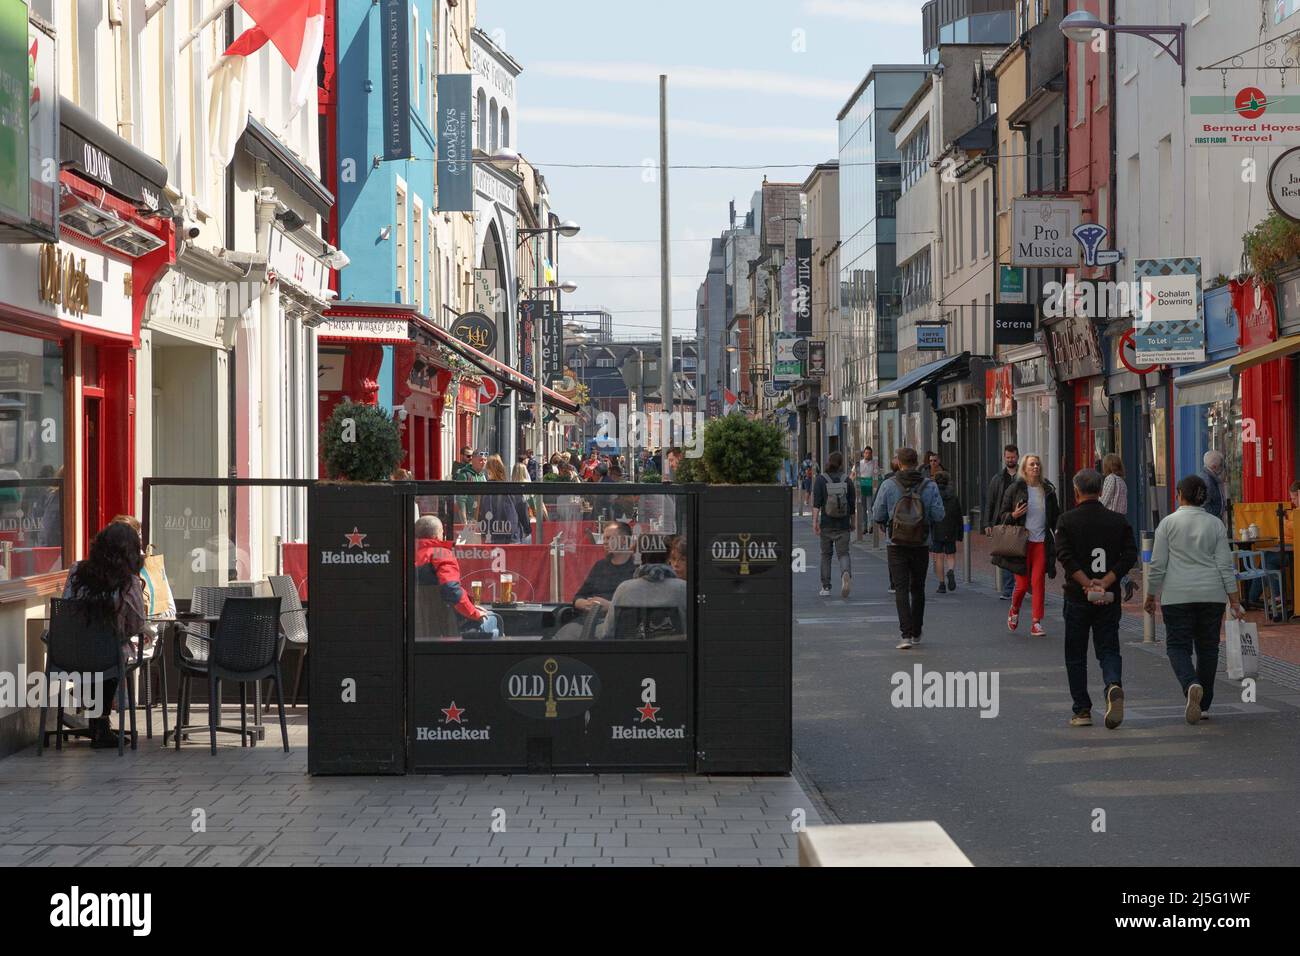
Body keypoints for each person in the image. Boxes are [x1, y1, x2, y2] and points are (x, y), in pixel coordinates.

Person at [1145, 474, 1245, 724]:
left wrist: (1150, 595)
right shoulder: (1215, 525)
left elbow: (1157, 565)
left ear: (1179, 494)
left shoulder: (1167, 524)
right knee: (1208, 648)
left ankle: (1191, 684)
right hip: (1211, 595)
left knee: (1177, 647)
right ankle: (1204, 703)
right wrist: (1234, 600)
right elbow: (1225, 564)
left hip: (1177, 595)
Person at [1054, 468, 1139, 729]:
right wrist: (1107, 580)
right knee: (1109, 648)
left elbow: (1064, 555)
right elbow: (1129, 554)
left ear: (1076, 491)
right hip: (1108, 595)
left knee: (1076, 654)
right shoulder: (1118, 521)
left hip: (1078, 596)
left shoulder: (1066, 521)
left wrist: (1086, 581)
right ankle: (1113, 684)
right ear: (1102, 491)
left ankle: (1081, 710)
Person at [62, 521, 155, 747]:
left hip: (70, 652)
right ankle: (101, 722)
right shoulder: (129, 582)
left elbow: (66, 607)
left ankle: (96, 721)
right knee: (116, 650)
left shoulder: (76, 571)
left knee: (100, 649)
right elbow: (136, 623)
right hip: (107, 657)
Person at [872, 447, 945, 650]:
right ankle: (917, 631)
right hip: (921, 542)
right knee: (918, 588)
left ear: (899, 463)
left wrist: (885, 522)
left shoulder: (888, 485)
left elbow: (877, 513)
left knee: (901, 589)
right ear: (916, 462)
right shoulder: (929, 485)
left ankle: (905, 634)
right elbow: (939, 514)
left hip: (896, 543)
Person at [995, 454, 1060, 637]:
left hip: (1041, 543)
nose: (1035, 467)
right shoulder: (1015, 488)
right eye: (1032, 464)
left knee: (1038, 582)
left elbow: (1056, 517)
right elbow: (1002, 515)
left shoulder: (1047, 490)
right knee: (1022, 586)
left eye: (1038, 464)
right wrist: (1014, 515)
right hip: (1021, 543)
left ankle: (1036, 622)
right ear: (1024, 468)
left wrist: (1060, 533)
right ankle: (1014, 608)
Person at [413, 516, 500, 638]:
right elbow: (451, 590)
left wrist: (470, 604)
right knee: (493, 621)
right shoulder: (440, 554)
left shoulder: (403, 553)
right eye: (442, 532)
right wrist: (474, 612)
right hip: (444, 627)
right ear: (436, 535)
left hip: (415, 627)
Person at [553, 520, 638, 639]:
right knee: (562, 635)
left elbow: (638, 608)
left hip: (617, 625)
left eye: (609, 538)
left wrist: (610, 606)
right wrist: (586, 604)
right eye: (604, 538)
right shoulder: (600, 566)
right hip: (588, 619)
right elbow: (578, 597)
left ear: (624, 540)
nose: (605, 542)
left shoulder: (637, 569)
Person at [603, 537, 688, 640]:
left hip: (631, 654)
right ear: (667, 557)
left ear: (639, 558)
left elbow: (608, 633)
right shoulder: (683, 588)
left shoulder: (624, 589)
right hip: (674, 654)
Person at [1246, 480, 1300, 608]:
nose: (1292, 501)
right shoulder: (1294, 511)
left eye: (1294, 498)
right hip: (1288, 548)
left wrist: (1285, 522)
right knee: (1266, 558)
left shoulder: (1296, 513)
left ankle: (1276, 597)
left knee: (1268, 560)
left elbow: (1294, 529)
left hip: (1294, 552)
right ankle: (1253, 598)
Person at [812, 451, 856, 599]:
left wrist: (815, 522)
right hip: (843, 524)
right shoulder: (847, 480)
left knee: (826, 555)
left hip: (826, 524)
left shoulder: (820, 480)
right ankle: (845, 573)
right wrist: (853, 522)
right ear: (841, 464)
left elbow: (817, 504)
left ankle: (826, 587)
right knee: (843, 553)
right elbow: (851, 504)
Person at [984, 444, 1021, 600]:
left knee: (1020, 556)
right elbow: (990, 502)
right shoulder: (998, 478)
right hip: (1003, 521)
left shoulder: (1023, 475)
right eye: (1008, 457)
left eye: (1012, 457)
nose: (1010, 460)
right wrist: (987, 524)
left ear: (1017, 457)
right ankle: (1008, 590)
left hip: (1021, 523)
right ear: (1004, 458)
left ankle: (1020, 588)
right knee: (1006, 555)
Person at [1099, 453, 1136, 602]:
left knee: (1106, 557)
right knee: (1114, 555)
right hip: (1121, 520)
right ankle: (1124, 581)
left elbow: (1103, 501)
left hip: (1109, 522)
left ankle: (1122, 582)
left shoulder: (1110, 479)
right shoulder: (1122, 482)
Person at [477, 454, 531, 544]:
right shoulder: (512, 488)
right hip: (511, 535)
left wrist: (483, 531)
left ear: (489, 471)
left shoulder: (485, 490)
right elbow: (522, 509)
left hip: (491, 535)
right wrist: (527, 529)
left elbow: (481, 513)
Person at [930, 471, 963, 594]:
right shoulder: (953, 496)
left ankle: (942, 584)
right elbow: (958, 515)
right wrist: (960, 532)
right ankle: (950, 570)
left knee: (938, 556)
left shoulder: (933, 495)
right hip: (950, 528)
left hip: (937, 528)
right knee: (950, 554)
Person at [1199, 450, 1230, 525]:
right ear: (1214, 467)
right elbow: (1204, 505)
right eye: (1221, 465)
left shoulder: (1210, 478)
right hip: (1210, 522)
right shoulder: (1207, 481)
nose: (1222, 468)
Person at [856, 447, 878, 540]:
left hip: (870, 488)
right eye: (866, 453)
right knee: (862, 508)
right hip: (861, 488)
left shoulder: (874, 464)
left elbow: (877, 474)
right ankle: (864, 527)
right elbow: (853, 474)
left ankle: (870, 526)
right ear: (863, 454)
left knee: (870, 507)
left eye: (869, 453)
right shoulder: (859, 464)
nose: (867, 454)